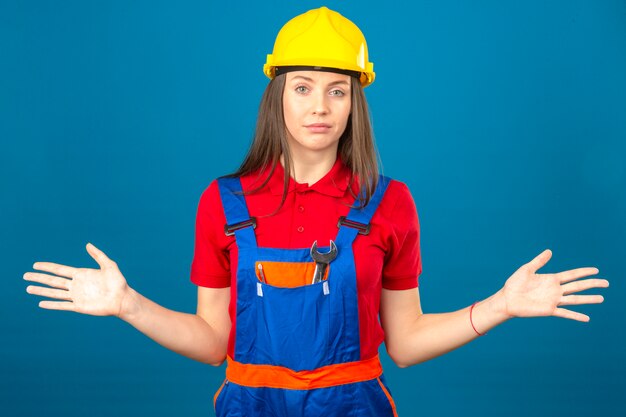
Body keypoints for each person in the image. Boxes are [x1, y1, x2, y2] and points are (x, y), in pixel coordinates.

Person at [23, 6, 609, 417]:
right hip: (249, 405)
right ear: (276, 95)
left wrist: (502, 306)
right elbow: (210, 340)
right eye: (302, 87)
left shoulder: (389, 201)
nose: (320, 106)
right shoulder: (224, 202)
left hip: (353, 405)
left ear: (357, 100)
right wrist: (128, 305)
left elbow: (404, 342)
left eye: (337, 89)